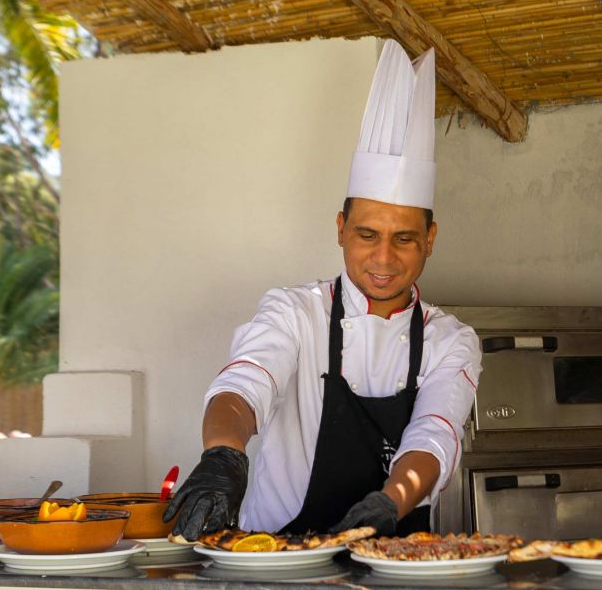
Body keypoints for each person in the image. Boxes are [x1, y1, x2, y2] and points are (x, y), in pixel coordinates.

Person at [167, 41, 482, 539]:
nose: (383, 258)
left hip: (393, 560)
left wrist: (390, 502)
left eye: (404, 239)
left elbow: (434, 433)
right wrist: (223, 455)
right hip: (275, 556)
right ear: (340, 229)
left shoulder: (451, 340)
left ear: (430, 240)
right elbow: (245, 384)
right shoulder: (295, 313)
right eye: (367, 235)